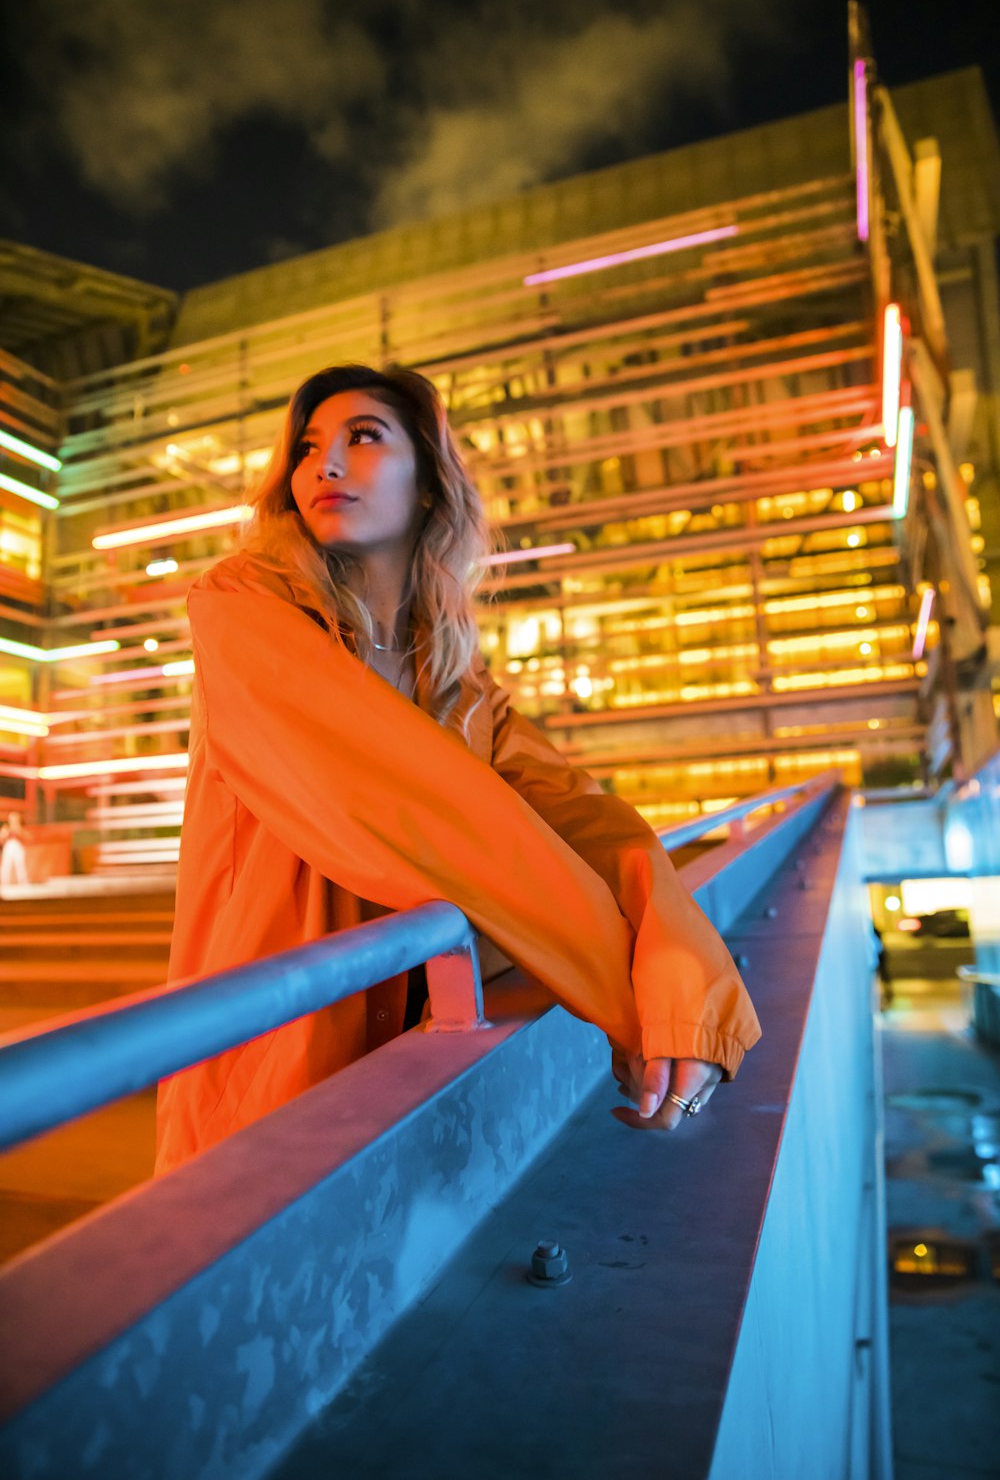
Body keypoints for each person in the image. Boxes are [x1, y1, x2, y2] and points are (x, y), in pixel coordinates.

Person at [155, 365, 761, 1173]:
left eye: (362, 437)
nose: (323, 465)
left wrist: (689, 981)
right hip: (268, 1058)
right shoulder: (242, 608)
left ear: (432, 486)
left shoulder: (456, 684)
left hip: (411, 1055)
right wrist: (632, 995)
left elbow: (586, 822)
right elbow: (420, 804)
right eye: (307, 448)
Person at [0, 812, 29, 887]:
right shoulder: (6, 828)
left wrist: (18, 831)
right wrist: (5, 833)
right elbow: (1, 839)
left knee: (20, 865)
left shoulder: (20, 828)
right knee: (6, 866)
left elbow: (26, 838)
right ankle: (4, 884)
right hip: (8, 847)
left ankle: (23, 884)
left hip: (18, 847)